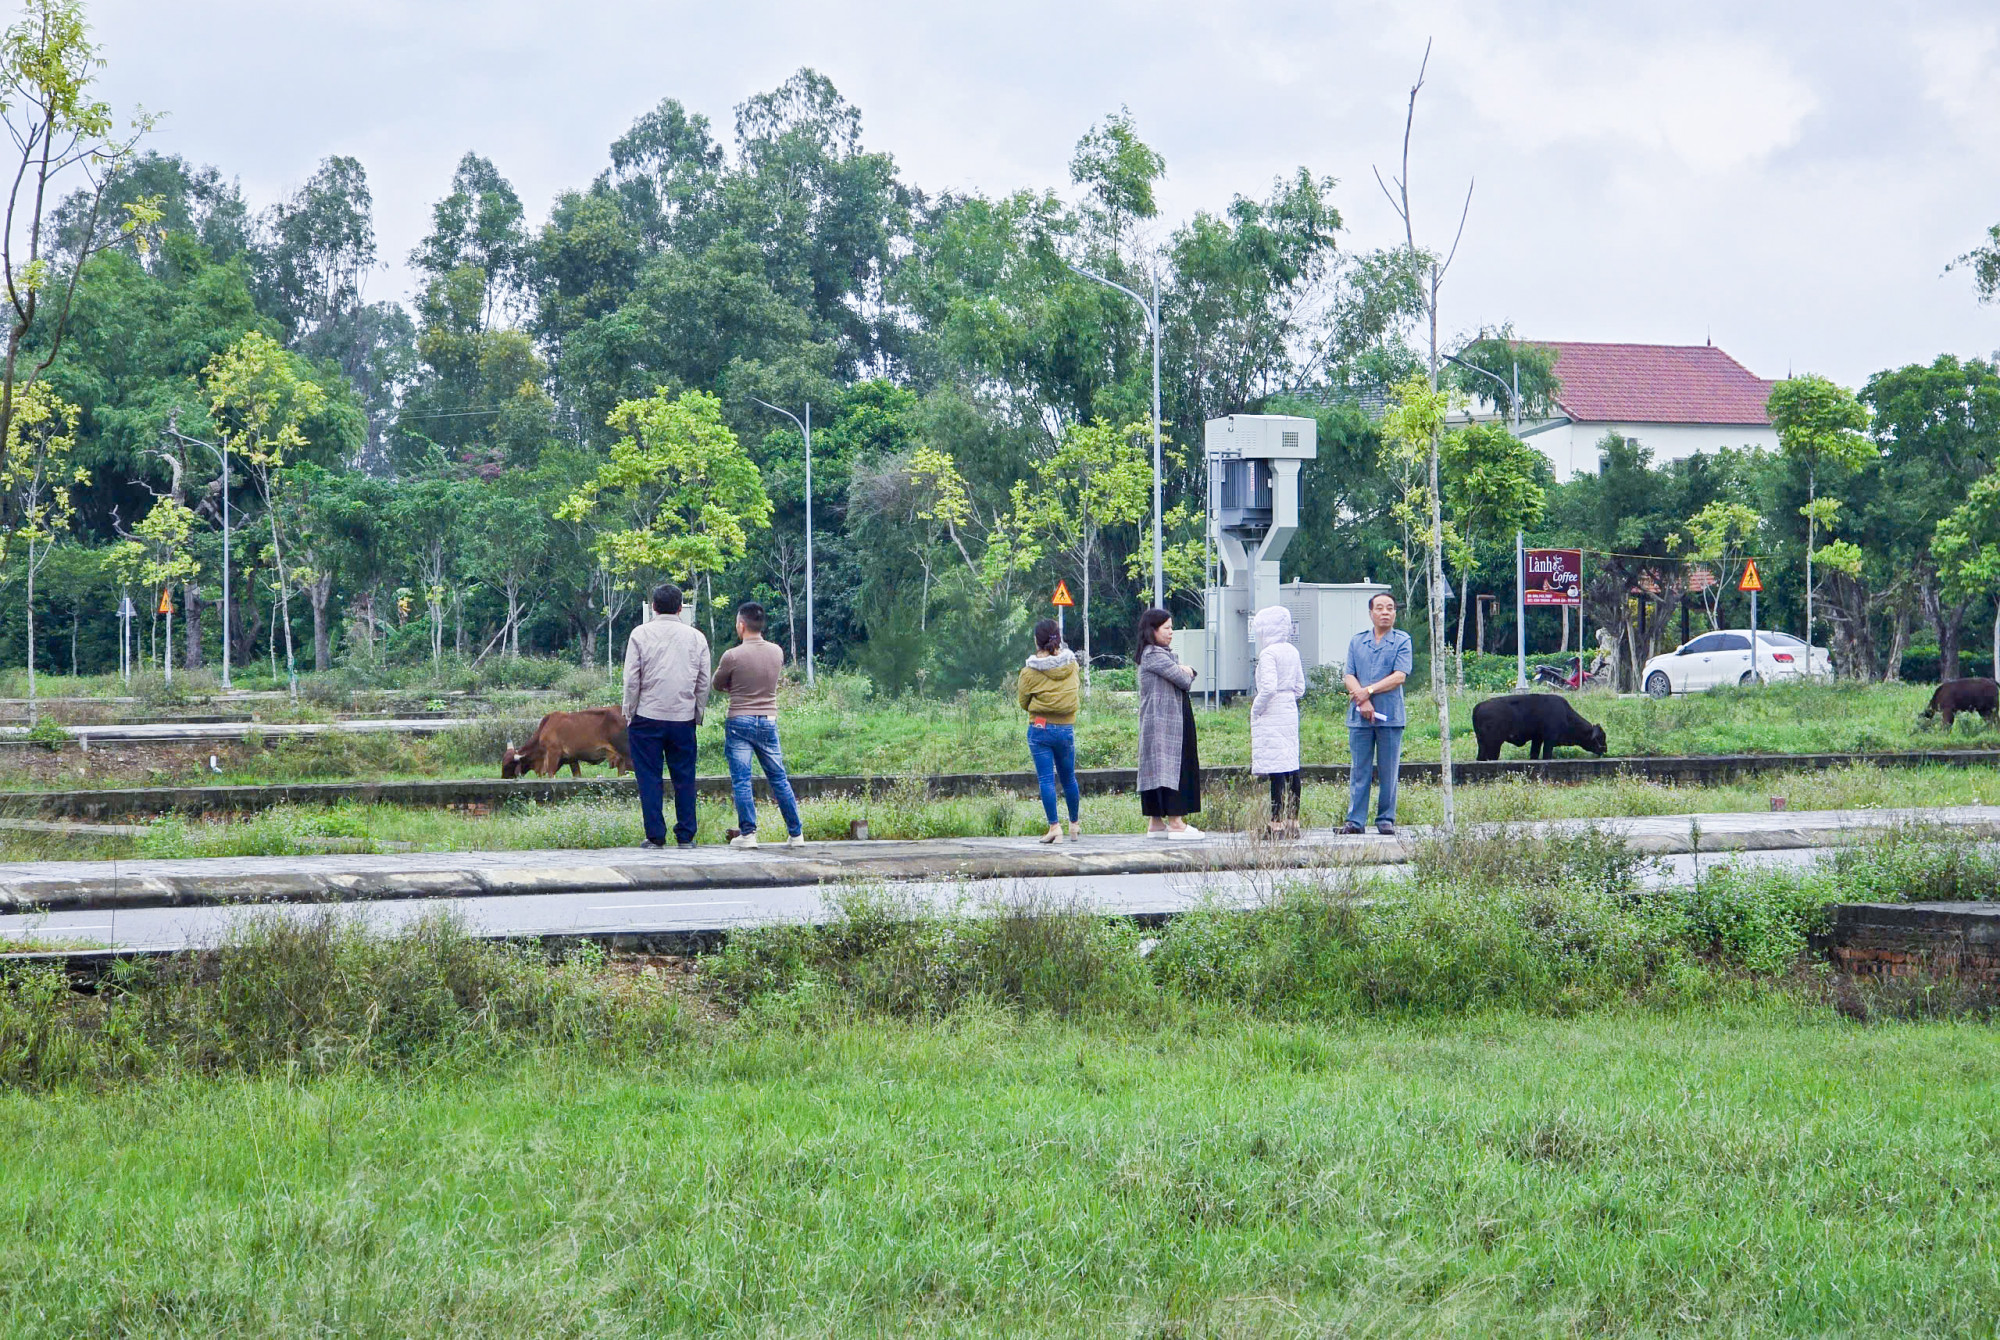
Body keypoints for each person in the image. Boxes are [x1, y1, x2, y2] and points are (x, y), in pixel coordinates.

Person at [623, 583, 710, 850]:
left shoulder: (640, 634)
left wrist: (630, 711)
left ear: (653, 607)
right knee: (685, 777)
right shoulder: (697, 637)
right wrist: (697, 713)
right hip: (682, 719)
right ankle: (686, 836)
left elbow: (631, 680)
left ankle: (655, 836)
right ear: (680, 608)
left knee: (649, 777)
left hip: (646, 716)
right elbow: (703, 682)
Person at [713, 601, 804, 849]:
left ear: (741, 625)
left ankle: (748, 834)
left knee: (742, 780)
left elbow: (717, 683)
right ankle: (796, 834)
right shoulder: (777, 651)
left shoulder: (732, 655)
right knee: (778, 778)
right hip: (768, 720)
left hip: (739, 720)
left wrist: (733, 687)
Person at [1343, 591, 1413, 836]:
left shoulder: (1402, 640)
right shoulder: (1357, 641)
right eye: (1380, 608)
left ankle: (1385, 818)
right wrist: (1362, 700)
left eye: (1390, 608)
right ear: (1371, 612)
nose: (1385, 612)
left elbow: (1399, 676)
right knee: (1359, 769)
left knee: (1388, 769)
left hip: (1390, 716)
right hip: (1360, 717)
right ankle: (1355, 820)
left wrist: (1368, 691)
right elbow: (1348, 674)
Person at [1135, 607, 1203, 838]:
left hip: (1161, 721)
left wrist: (1183, 669)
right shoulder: (1154, 655)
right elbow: (1184, 679)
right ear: (1152, 630)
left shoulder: (1156, 655)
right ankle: (1176, 822)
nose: (1171, 632)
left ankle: (1156, 823)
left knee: (1157, 768)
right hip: (1167, 722)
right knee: (1176, 768)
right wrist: (1190, 670)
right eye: (1167, 628)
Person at [1017, 617, 1081, 844]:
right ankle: (1074, 825)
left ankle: (1055, 827)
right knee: (1069, 777)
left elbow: (1023, 702)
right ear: (1058, 639)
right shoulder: (1072, 665)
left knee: (1046, 779)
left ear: (1037, 640)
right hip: (1066, 728)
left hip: (1040, 728)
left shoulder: (1029, 672)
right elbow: (1075, 691)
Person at [1251, 605, 1306, 839]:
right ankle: (1294, 822)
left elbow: (1268, 687)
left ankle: (1276, 824)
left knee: (1276, 771)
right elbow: (1300, 687)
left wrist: (1257, 708)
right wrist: (1287, 699)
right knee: (1292, 768)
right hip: (1289, 710)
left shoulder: (1268, 654)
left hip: (1272, 712)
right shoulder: (1292, 651)